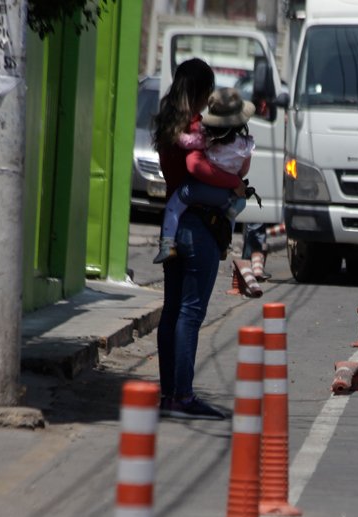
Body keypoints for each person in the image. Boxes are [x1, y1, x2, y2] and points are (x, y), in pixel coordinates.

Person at [152, 59, 247, 419]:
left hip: (174, 225)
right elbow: (198, 167)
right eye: (207, 91)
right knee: (191, 313)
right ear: (199, 91)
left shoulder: (167, 125)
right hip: (198, 227)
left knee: (173, 311)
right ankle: (183, 396)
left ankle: (169, 393)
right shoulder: (194, 126)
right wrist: (233, 183)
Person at [153, 88, 256, 264]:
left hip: (197, 190)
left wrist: (176, 133)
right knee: (231, 212)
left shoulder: (205, 138)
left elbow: (187, 146)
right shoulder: (245, 146)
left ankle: (167, 244)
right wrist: (232, 178)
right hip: (225, 196)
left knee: (174, 205)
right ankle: (225, 244)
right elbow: (243, 171)